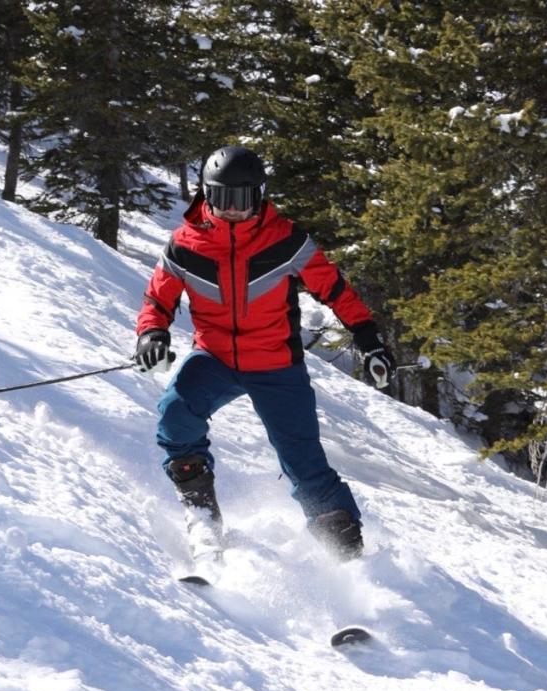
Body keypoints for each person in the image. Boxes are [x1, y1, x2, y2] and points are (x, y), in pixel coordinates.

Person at [134, 146, 395, 562]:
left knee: (304, 463)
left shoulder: (285, 239)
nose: (233, 210)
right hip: (214, 358)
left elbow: (334, 288)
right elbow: (157, 299)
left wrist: (368, 338)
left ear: (260, 195)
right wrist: (152, 333)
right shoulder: (186, 244)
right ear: (206, 195)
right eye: (222, 199)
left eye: (243, 199)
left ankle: (346, 553)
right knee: (176, 416)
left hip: (276, 365)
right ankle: (202, 516)